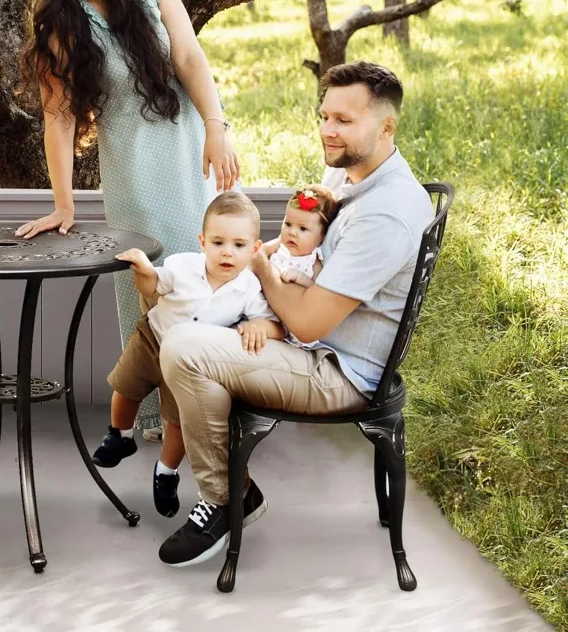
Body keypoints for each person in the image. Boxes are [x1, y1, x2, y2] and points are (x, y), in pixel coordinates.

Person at [157, 61, 434, 567]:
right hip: (306, 342)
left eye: (344, 120)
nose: (328, 129)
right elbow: (300, 249)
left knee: (183, 345)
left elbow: (307, 322)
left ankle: (225, 499)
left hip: (336, 369)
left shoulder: (386, 211)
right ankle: (216, 484)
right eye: (324, 115)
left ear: (386, 126)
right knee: (165, 328)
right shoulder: (348, 173)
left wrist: (260, 272)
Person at [14, 0, 239, 433]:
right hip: (135, 174)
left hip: (192, 154)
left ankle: (225, 396)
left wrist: (217, 128)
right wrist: (63, 205)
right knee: (155, 284)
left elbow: (188, 55)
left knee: (214, 273)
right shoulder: (60, 28)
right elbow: (60, 117)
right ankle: (168, 416)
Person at [91, 192, 281, 518]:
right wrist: (144, 269)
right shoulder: (183, 265)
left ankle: (166, 472)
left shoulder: (249, 289)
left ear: (253, 249)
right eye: (218, 242)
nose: (226, 252)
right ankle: (120, 435)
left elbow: (275, 325)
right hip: (153, 340)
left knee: (177, 422)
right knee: (125, 387)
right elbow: (153, 287)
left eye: (238, 245)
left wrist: (262, 326)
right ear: (202, 242)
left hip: (189, 362)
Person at [264, 185, 339, 349]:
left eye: (303, 228)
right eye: (288, 223)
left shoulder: (314, 262)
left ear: (322, 236)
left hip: (286, 320)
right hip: (262, 304)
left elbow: (317, 292)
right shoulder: (280, 244)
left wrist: (301, 278)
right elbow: (260, 253)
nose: (292, 232)